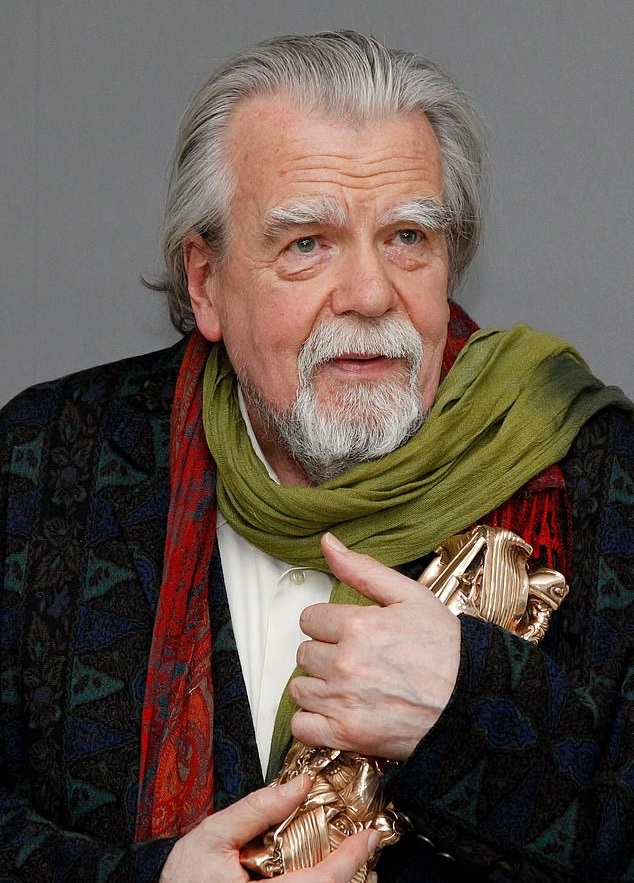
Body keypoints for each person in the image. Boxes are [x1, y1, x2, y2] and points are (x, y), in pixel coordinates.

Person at [0, 30, 632, 883]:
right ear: (205, 282)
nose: (371, 294)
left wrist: (464, 710)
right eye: (307, 243)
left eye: (407, 236)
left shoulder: (594, 475)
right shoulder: (43, 461)